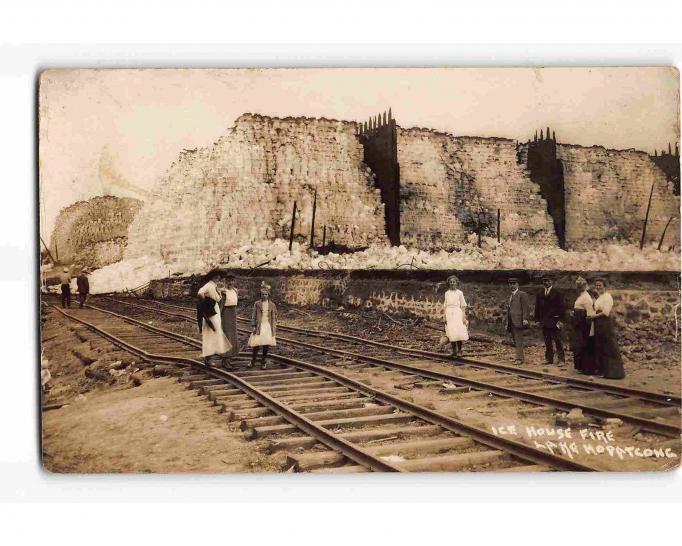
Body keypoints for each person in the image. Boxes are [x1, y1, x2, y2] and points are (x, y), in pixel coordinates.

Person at [588, 278, 625, 379]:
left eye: (600, 285)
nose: (598, 287)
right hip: (598, 323)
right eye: (596, 285)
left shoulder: (607, 297)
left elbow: (606, 312)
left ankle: (614, 372)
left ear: (605, 286)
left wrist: (593, 317)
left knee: (608, 346)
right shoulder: (600, 297)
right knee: (600, 346)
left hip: (605, 323)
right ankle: (602, 370)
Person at [197, 269, 232, 369]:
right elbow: (200, 293)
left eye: (218, 277)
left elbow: (217, 297)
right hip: (210, 310)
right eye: (216, 277)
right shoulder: (209, 285)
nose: (218, 279)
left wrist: (220, 292)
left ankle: (209, 358)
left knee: (215, 333)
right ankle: (208, 359)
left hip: (215, 310)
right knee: (211, 333)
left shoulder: (214, 286)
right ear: (212, 277)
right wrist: (205, 302)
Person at [569, 276, 598, 375]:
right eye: (578, 286)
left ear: (585, 286)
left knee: (583, 345)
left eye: (581, 286)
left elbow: (590, 313)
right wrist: (574, 313)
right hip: (578, 325)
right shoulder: (581, 296)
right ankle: (580, 366)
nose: (579, 287)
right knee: (578, 346)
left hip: (583, 326)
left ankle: (586, 367)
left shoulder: (586, 298)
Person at [534, 274, 565, 364]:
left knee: (558, 340)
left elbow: (562, 308)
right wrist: (537, 319)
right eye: (544, 281)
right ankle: (549, 359)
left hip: (555, 321)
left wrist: (561, 320)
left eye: (548, 281)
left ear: (552, 281)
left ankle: (561, 359)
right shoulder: (540, 293)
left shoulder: (558, 293)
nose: (546, 282)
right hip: (544, 321)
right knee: (547, 341)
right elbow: (537, 307)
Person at [248, 283, 277, 369]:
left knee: (266, 345)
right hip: (259, 326)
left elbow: (274, 317)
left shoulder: (272, 305)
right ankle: (252, 361)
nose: (264, 296)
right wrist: (253, 325)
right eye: (263, 294)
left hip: (267, 326)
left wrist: (274, 327)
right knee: (256, 344)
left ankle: (263, 361)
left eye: (266, 294)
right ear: (260, 295)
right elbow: (253, 315)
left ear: (268, 295)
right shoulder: (257, 304)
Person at [506, 277, 530, 364]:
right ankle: (518, 357)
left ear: (517, 284)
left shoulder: (522, 294)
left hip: (519, 321)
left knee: (519, 340)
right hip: (511, 322)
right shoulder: (511, 296)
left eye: (514, 284)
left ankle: (519, 359)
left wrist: (525, 319)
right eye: (510, 284)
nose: (512, 286)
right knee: (515, 340)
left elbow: (525, 308)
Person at [443, 275, 469, 358]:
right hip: (449, 313)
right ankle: (454, 351)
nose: (452, 283)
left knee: (458, 332)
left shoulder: (459, 293)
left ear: (456, 283)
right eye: (450, 282)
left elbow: (463, 306)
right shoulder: (446, 293)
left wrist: (463, 317)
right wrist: (444, 316)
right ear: (448, 283)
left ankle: (460, 351)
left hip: (457, 313)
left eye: (453, 282)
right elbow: (445, 305)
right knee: (451, 333)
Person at [219, 274, 240, 359]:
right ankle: (225, 358)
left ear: (234, 281)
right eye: (228, 281)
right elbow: (220, 305)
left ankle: (231, 355)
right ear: (225, 282)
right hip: (226, 313)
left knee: (233, 335)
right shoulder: (223, 291)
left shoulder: (235, 291)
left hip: (233, 313)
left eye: (232, 280)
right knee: (226, 335)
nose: (230, 282)